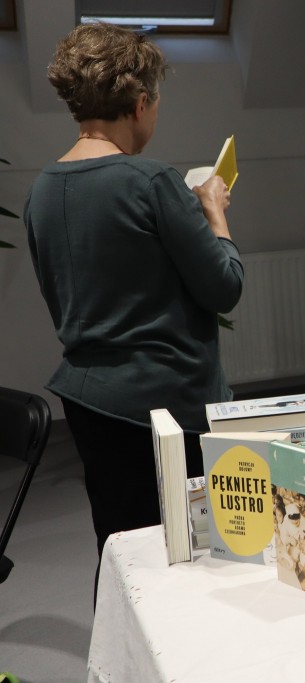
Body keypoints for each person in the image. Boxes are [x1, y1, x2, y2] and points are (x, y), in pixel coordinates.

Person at [23, 24, 242, 578]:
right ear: (141, 102)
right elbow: (224, 287)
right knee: (185, 559)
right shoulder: (152, 183)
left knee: (121, 551)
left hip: (88, 403)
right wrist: (214, 213)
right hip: (167, 407)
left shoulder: (41, 189)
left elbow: (61, 295)